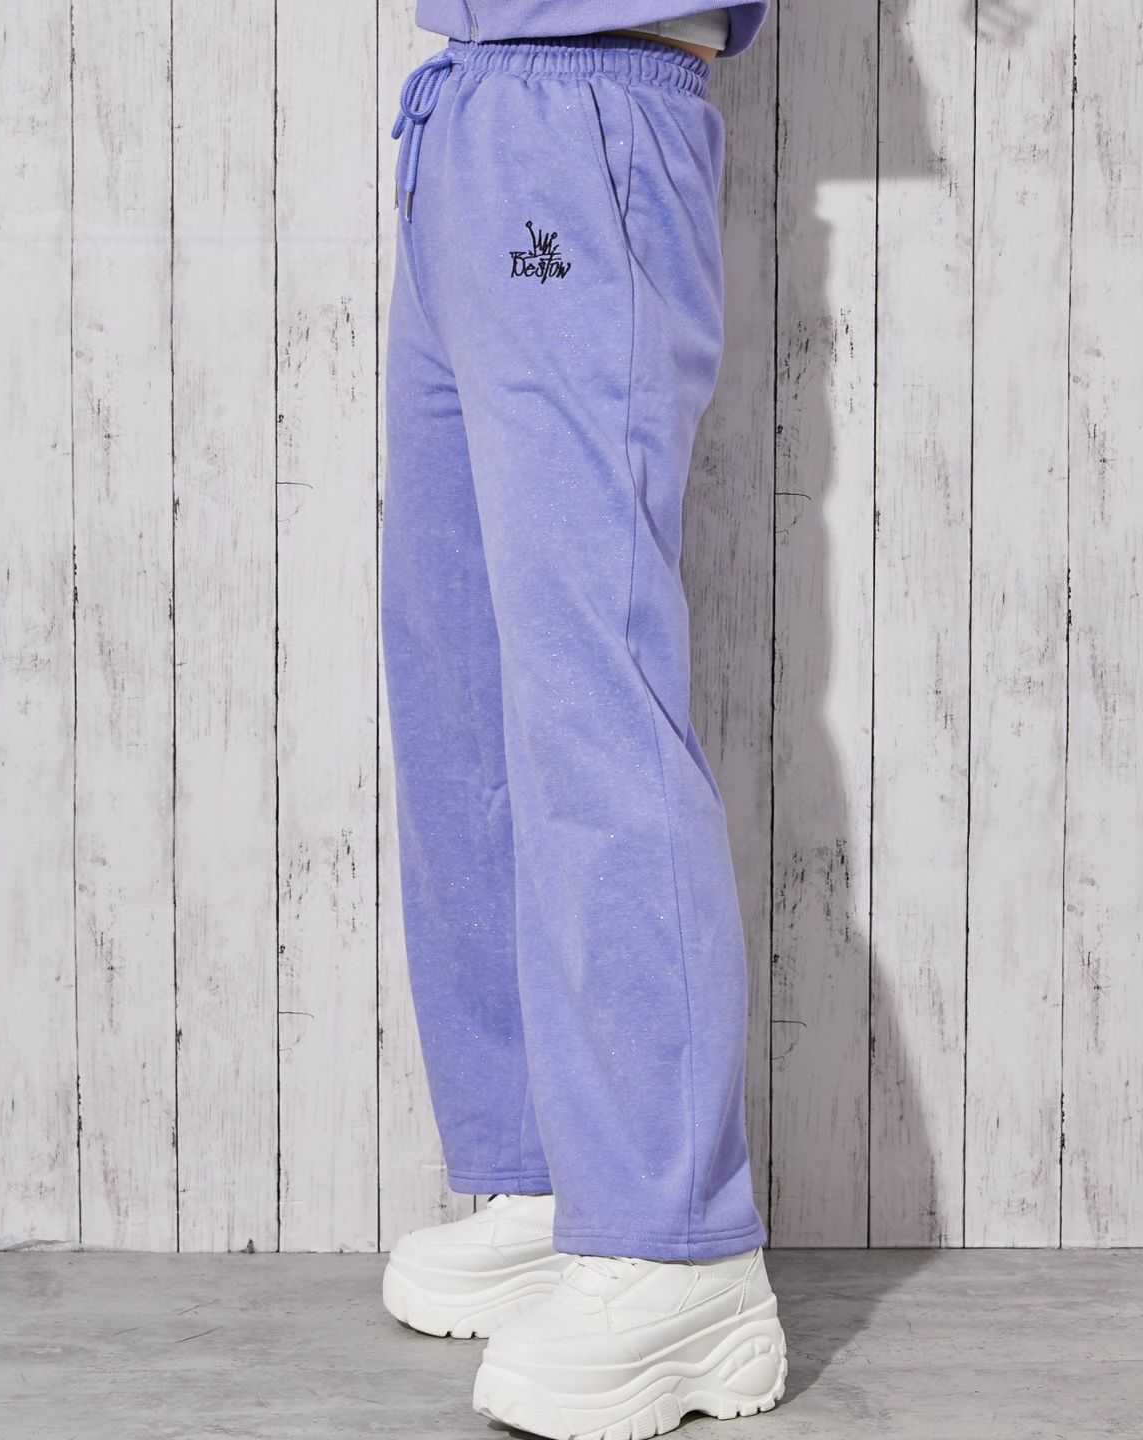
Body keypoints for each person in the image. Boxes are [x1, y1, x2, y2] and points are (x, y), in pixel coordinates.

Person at [378, 4, 785, 1435]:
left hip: (592, 105)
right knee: (464, 689)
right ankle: (557, 1177)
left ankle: (679, 1247)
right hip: (470, 110)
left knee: (588, 684)